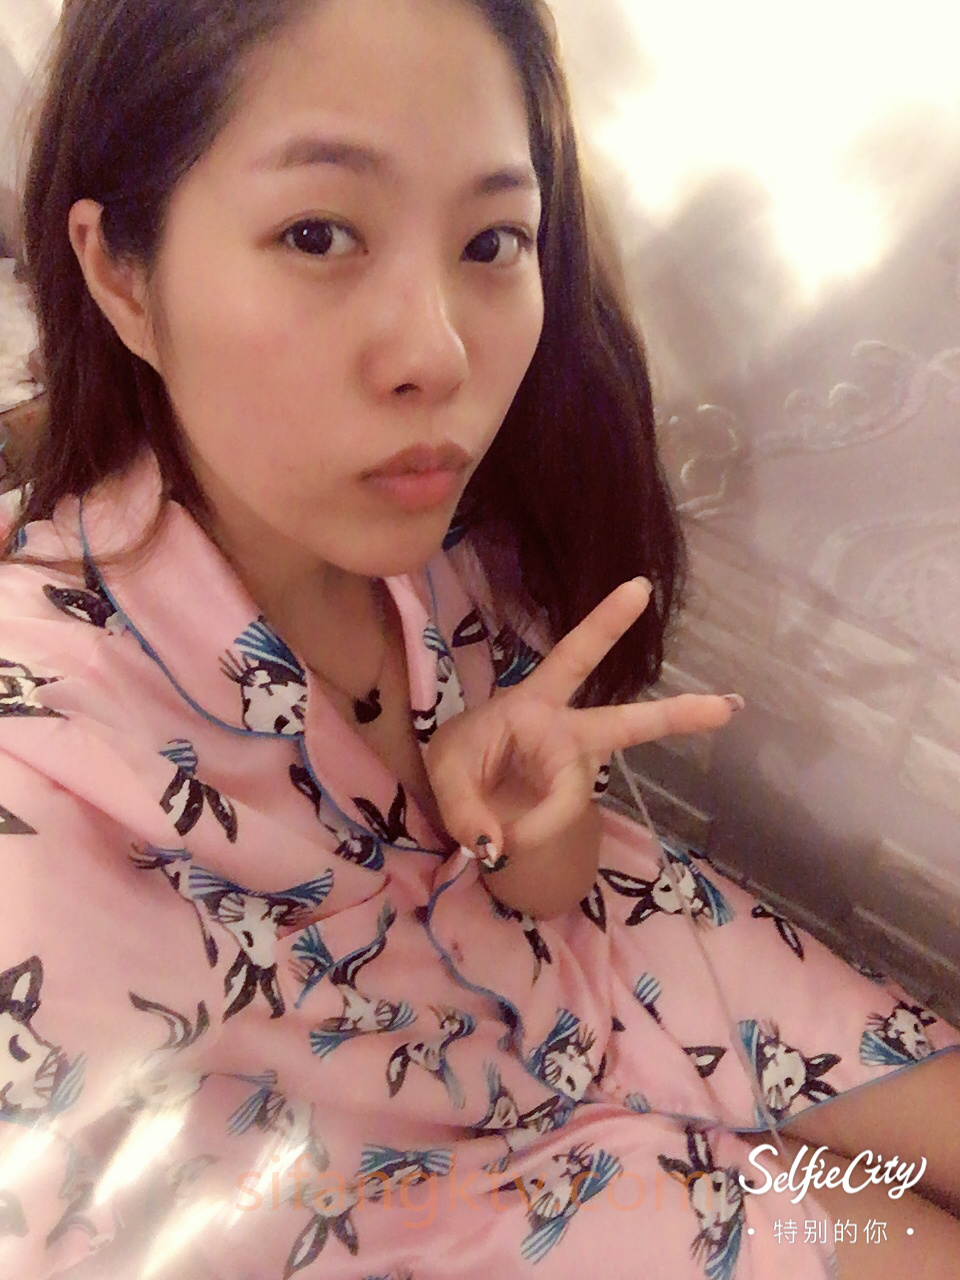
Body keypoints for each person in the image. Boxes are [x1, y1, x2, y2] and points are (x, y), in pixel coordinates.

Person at [1, 1, 958, 1276]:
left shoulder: (451, 528)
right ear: (124, 272)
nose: (441, 351)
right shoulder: (46, 769)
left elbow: (543, 879)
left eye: (492, 240)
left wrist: (536, 823)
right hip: (416, 1200)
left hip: (615, 955)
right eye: (318, 233)